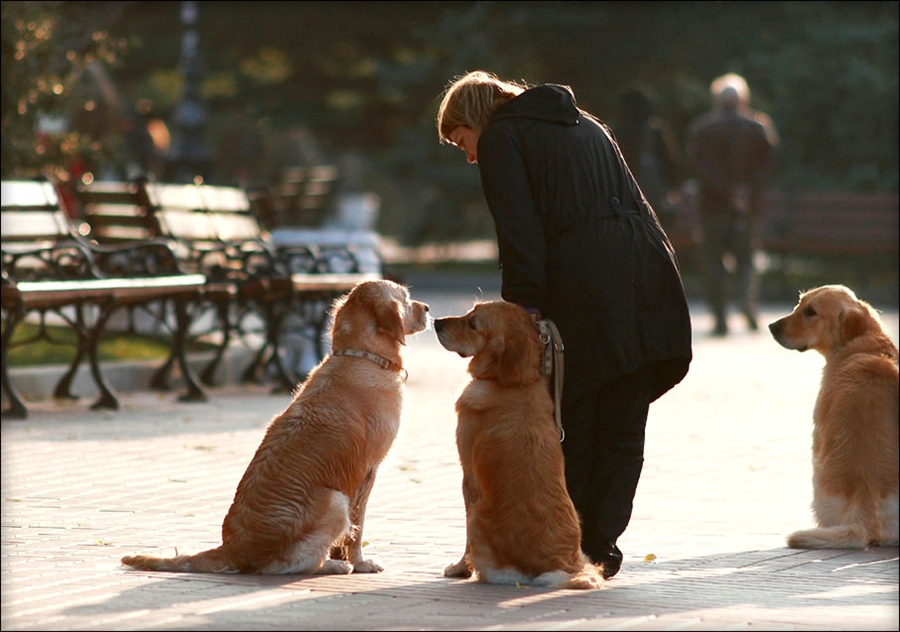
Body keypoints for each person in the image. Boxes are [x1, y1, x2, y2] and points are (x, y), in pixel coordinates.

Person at [436, 70, 693, 579]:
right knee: (624, 419)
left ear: (474, 121)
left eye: (462, 140)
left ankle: (561, 545)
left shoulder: (503, 138)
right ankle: (601, 544)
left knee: (573, 418)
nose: (468, 154)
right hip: (647, 275)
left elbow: (519, 229)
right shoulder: (590, 126)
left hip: (584, 285)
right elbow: (637, 204)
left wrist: (523, 311)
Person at [686, 73, 780, 336]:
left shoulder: (703, 128)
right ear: (743, 99)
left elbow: (697, 165)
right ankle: (745, 303)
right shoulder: (759, 126)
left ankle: (720, 318)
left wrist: (726, 190)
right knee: (748, 257)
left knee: (714, 260)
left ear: (717, 100)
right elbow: (770, 162)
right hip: (749, 206)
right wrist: (745, 190)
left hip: (713, 206)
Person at [613, 86, 681, 220]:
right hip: (651, 196)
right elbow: (669, 163)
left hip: (621, 195)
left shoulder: (613, 131)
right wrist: (673, 186)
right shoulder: (654, 131)